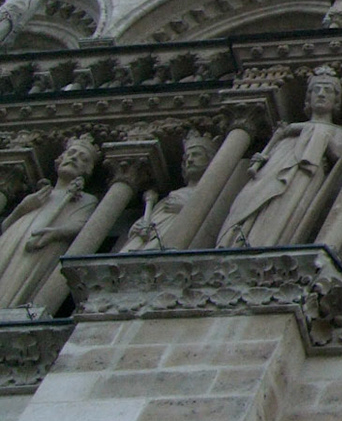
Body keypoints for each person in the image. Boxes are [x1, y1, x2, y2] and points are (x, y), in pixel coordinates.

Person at [217, 67, 342, 248]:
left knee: (280, 212)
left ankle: (265, 245)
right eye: (316, 90)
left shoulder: (339, 132)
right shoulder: (286, 131)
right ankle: (234, 242)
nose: (321, 94)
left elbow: (338, 155)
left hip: (300, 177)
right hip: (269, 173)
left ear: (336, 100)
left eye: (328, 90)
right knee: (248, 204)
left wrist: (308, 130)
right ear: (308, 97)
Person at [0, 134, 100, 306]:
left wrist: (54, 233)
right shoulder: (40, 193)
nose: (74, 158)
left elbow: (82, 227)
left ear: (87, 170)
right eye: (71, 154)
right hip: (13, 239)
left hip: (41, 246)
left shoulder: (86, 199)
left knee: (16, 278)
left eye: (83, 159)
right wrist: (22, 208)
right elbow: (5, 227)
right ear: (60, 160)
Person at [120, 131, 214, 253]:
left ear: (210, 159)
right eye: (187, 157)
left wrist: (185, 209)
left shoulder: (212, 192)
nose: (190, 160)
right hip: (154, 236)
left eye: (196, 155)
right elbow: (155, 216)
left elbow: (213, 219)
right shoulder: (175, 194)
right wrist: (138, 226)